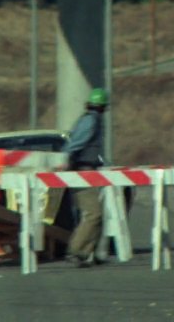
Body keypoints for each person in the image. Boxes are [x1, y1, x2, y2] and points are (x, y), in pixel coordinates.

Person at [61, 88, 109, 268]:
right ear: (103, 106)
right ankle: (75, 251)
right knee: (93, 213)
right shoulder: (90, 121)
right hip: (82, 171)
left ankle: (87, 254)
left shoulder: (90, 119)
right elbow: (75, 144)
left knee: (96, 214)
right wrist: (63, 159)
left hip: (87, 170)